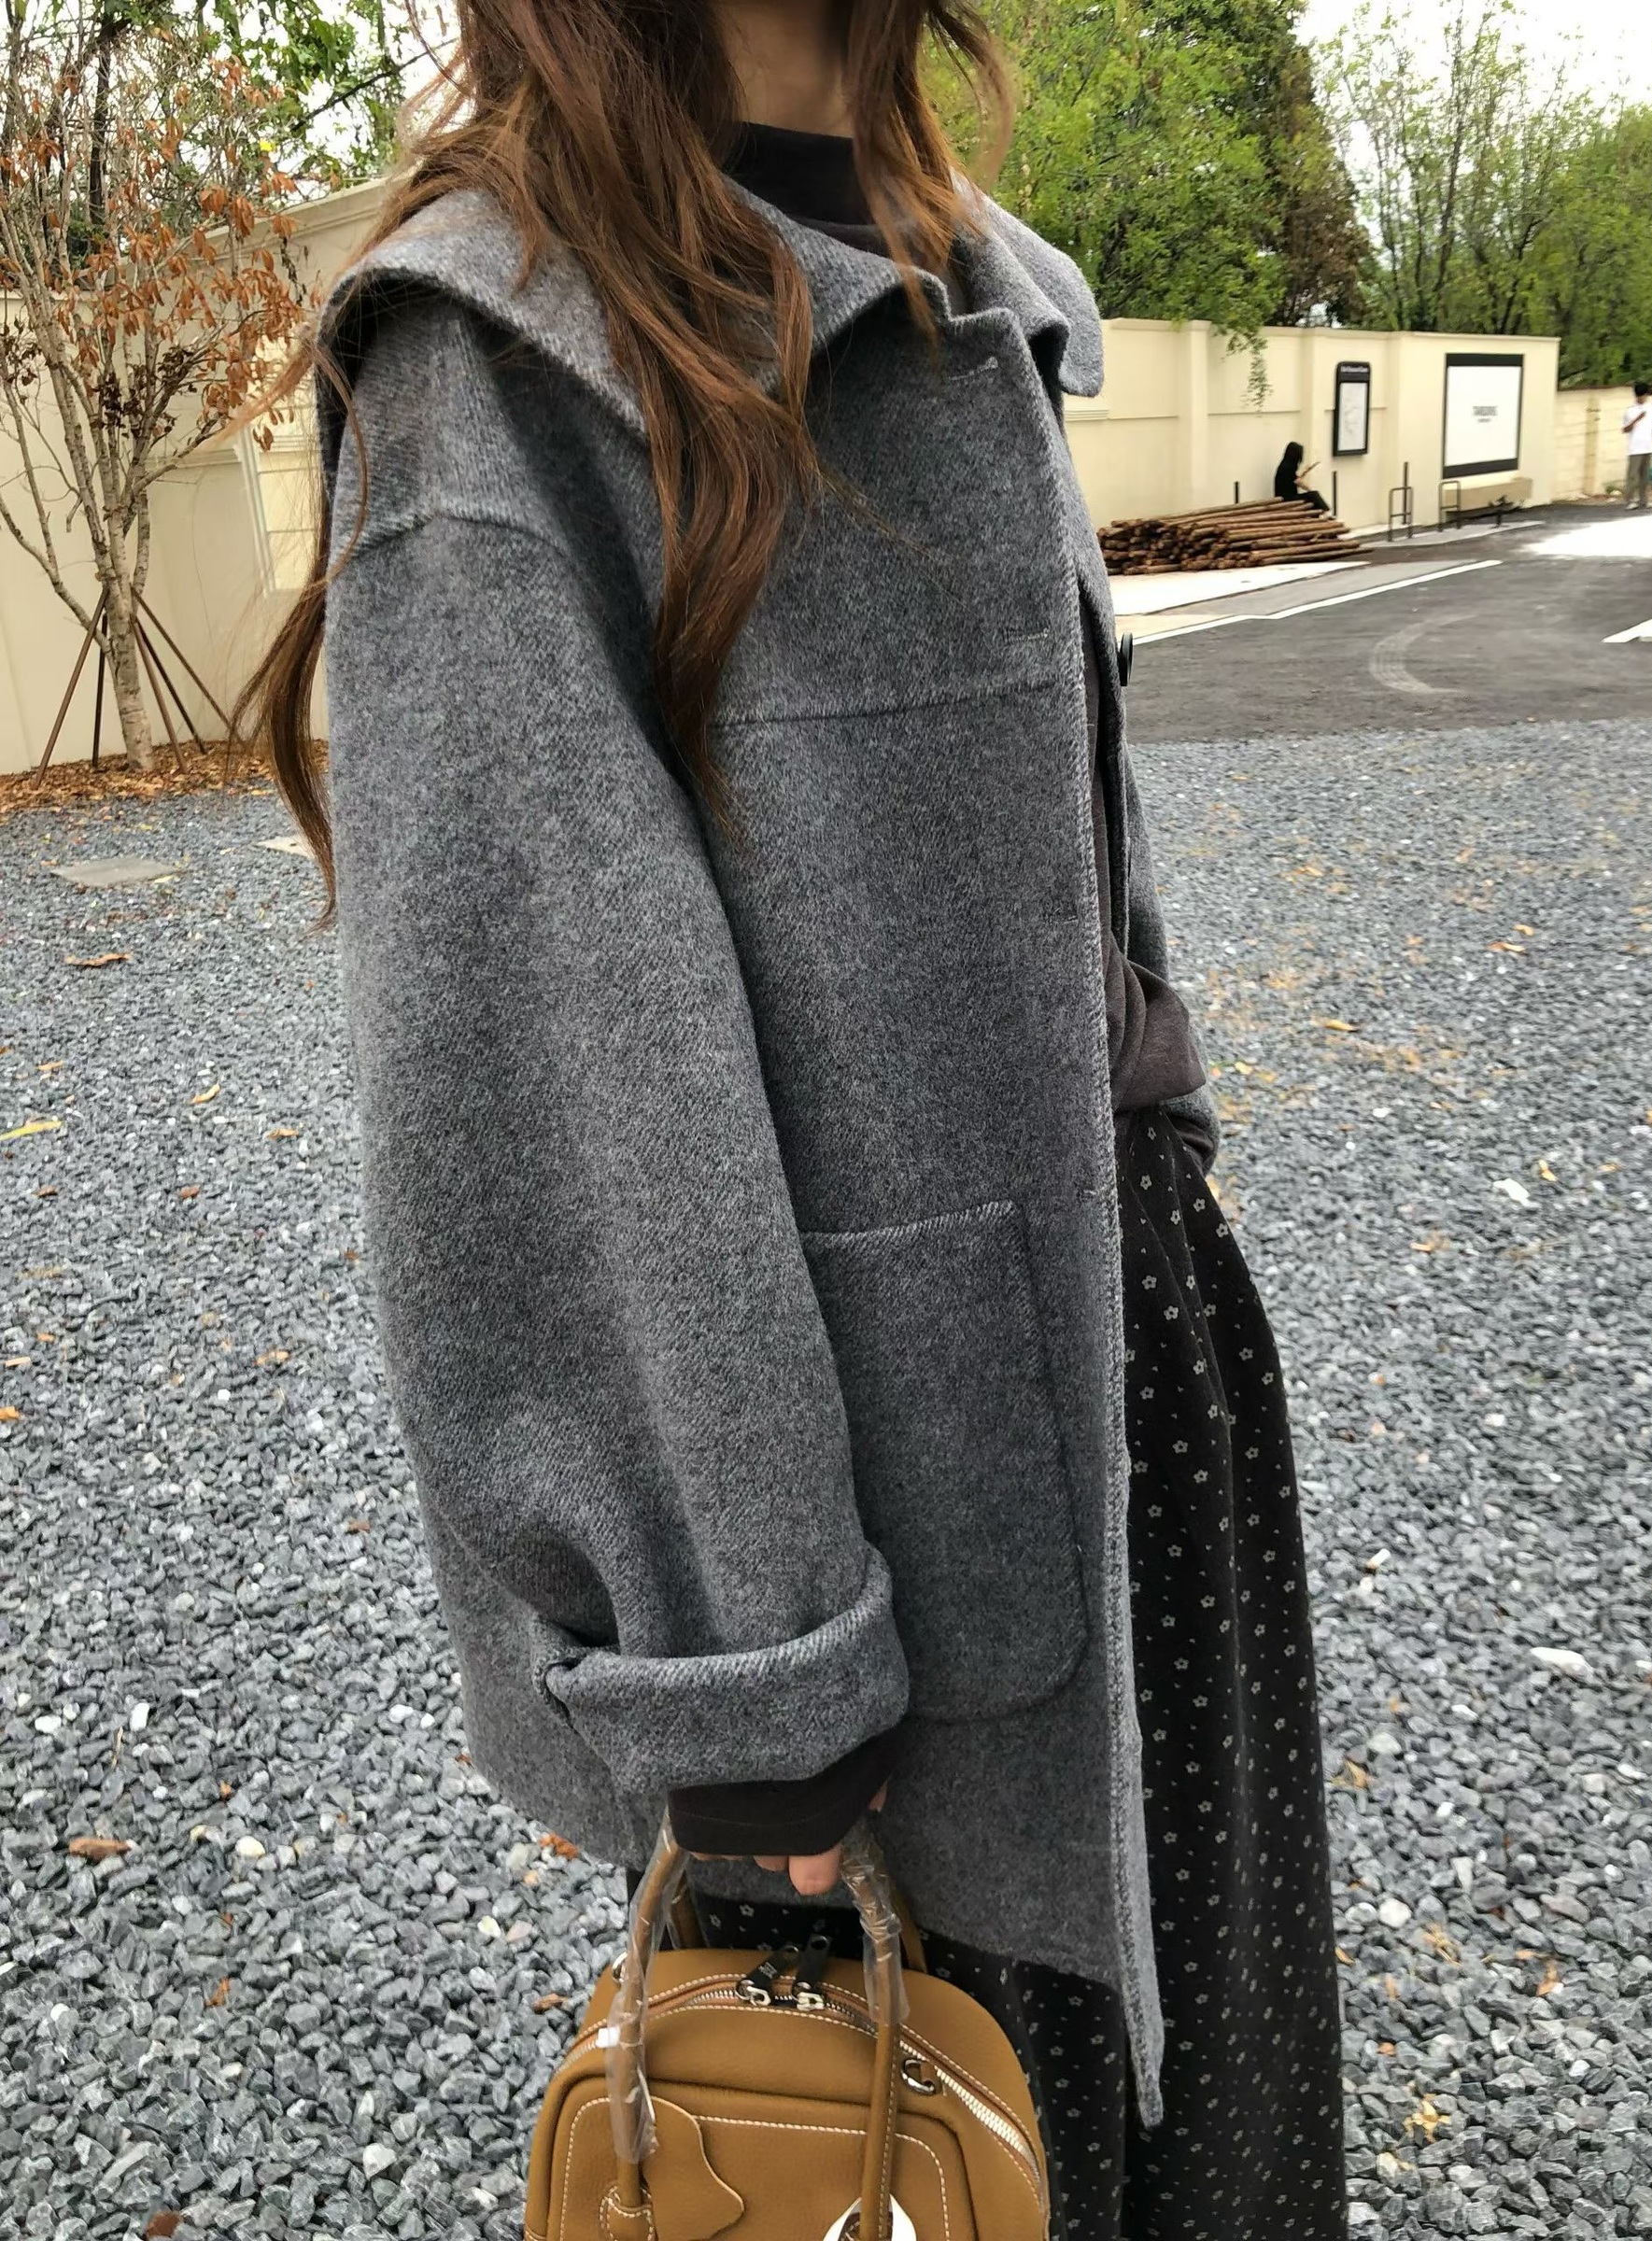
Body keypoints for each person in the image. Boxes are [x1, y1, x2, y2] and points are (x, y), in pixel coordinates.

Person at [239, 0, 1346, 2230]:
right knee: (926, 2147)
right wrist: (751, 1688)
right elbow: (554, 1090)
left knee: (1210, 2111)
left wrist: (1165, 1116)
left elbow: (1062, 849)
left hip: (1146, 1385)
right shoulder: (504, 346)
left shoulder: (969, 272)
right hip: (862, 1527)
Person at [1623, 382, 1652, 510]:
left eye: (1644, 396)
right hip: (1635, 447)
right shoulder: (1630, 410)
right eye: (1641, 396)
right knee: (1632, 475)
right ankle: (1630, 500)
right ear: (1637, 396)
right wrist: (1637, 419)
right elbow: (1625, 429)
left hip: (1648, 445)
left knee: (1645, 476)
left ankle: (1644, 500)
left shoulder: (1651, 408)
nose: (1643, 398)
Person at [1274, 439, 1330, 512]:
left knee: (1312, 497)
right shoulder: (1288, 467)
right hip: (1287, 499)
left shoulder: (1284, 465)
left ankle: (1322, 513)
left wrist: (1304, 472)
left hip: (1284, 497)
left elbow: (1292, 480)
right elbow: (1298, 482)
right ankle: (1326, 512)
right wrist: (1310, 490)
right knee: (1314, 495)